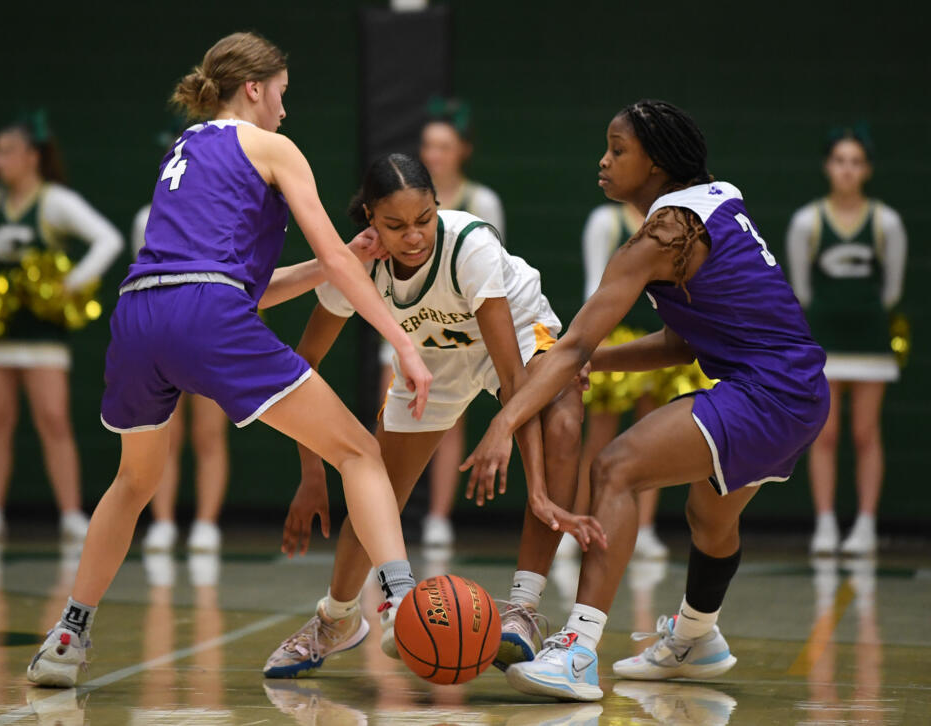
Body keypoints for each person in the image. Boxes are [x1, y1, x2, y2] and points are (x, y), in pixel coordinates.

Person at [25, 31, 433, 688]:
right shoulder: (270, 146)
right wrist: (402, 342)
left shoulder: (183, 150)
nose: (284, 109)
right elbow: (317, 259)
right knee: (359, 452)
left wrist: (348, 258)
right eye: (281, 94)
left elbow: (240, 286)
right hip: (203, 314)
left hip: (138, 312)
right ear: (254, 88)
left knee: (133, 483)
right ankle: (403, 606)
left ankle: (68, 635)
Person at [461, 100, 830, 701]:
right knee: (710, 519)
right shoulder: (710, 210)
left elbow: (574, 341)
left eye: (617, 150)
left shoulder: (661, 235)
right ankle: (696, 637)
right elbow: (683, 343)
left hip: (768, 391)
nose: (603, 162)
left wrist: (505, 419)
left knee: (615, 468)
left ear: (655, 162)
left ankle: (578, 652)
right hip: (798, 390)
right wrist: (595, 362)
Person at [263, 153, 602, 678]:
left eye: (424, 219)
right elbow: (300, 369)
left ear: (437, 207)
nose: (414, 236)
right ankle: (336, 619)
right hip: (431, 364)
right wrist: (312, 474)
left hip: (513, 341)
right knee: (375, 491)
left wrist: (517, 455)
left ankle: (523, 607)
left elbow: (513, 379)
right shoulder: (357, 263)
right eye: (395, 225)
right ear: (370, 217)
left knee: (560, 421)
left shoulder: (470, 245)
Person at [0, 113, 123, 543]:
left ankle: (70, 514)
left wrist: (72, 284)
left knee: (54, 420)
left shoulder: (54, 201)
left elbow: (108, 238)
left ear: (30, 156)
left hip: (44, 336)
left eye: (5, 151)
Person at [561, 202, 716, 560]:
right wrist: (592, 340)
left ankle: (643, 529)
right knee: (598, 438)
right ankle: (577, 525)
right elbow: (595, 287)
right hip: (616, 336)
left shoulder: (680, 224)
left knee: (652, 434)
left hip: (664, 339)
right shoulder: (606, 220)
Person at [385, 99, 506, 548]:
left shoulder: (481, 202)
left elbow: (493, 275)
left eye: (443, 145)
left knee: (449, 417)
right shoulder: (401, 200)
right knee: (394, 412)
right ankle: (384, 513)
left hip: (457, 323)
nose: (433, 154)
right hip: (404, 321)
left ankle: (438, 517)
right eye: (428, 146)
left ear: (462, 150)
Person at [786, 127, 907, 557]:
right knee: (826, 433)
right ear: (828, 167)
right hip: (825, 341)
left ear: (867, 169)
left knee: (866, 433)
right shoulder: (808, 220)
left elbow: (892, 289)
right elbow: (800, 288)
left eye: (856, 162)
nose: (848, 170)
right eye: (840, 160)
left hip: (871, 341)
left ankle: (866, 525)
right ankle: (825, 524)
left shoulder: (886, 221)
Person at [131, 201, 229, 553]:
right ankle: (162, 522)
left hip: (213, 333)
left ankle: (206, 523)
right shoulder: (147, 217)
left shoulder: (225, 212)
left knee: (209, 433)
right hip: (162, 332)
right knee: (165, 435)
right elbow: (142, 277)